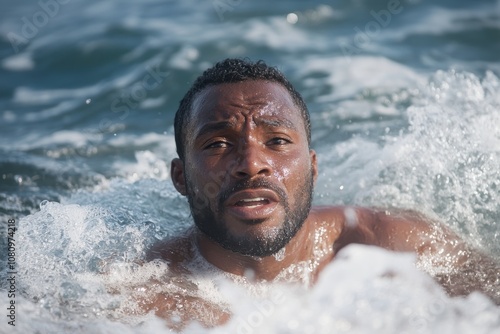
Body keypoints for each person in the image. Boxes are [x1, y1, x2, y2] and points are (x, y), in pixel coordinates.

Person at [143, 58, 499, 328]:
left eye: (278, 141)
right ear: (181, 178)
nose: (252, 164)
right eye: (218, 143)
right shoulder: (146, 297)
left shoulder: (394, 246)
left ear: (312, 167)